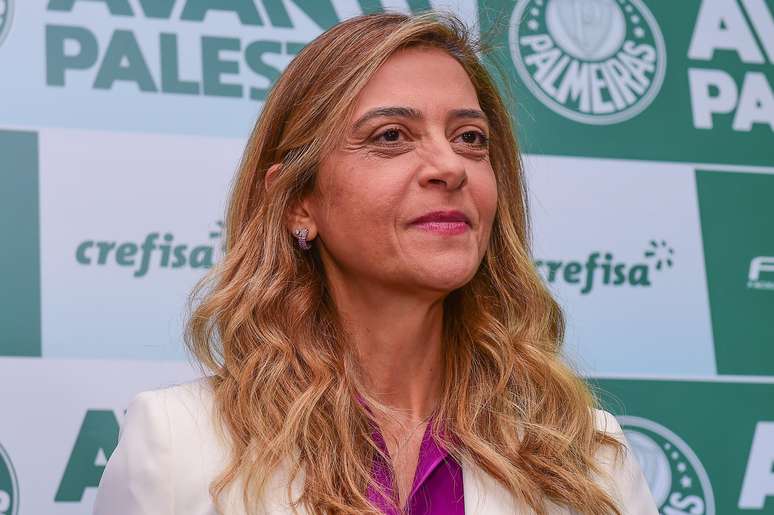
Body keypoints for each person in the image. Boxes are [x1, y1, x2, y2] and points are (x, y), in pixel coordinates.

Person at [93, 10, 657, 515]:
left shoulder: (587, 454)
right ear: (297, 202)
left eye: (470, 137)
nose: (450, 167)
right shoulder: (177, 444)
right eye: (391, 136)